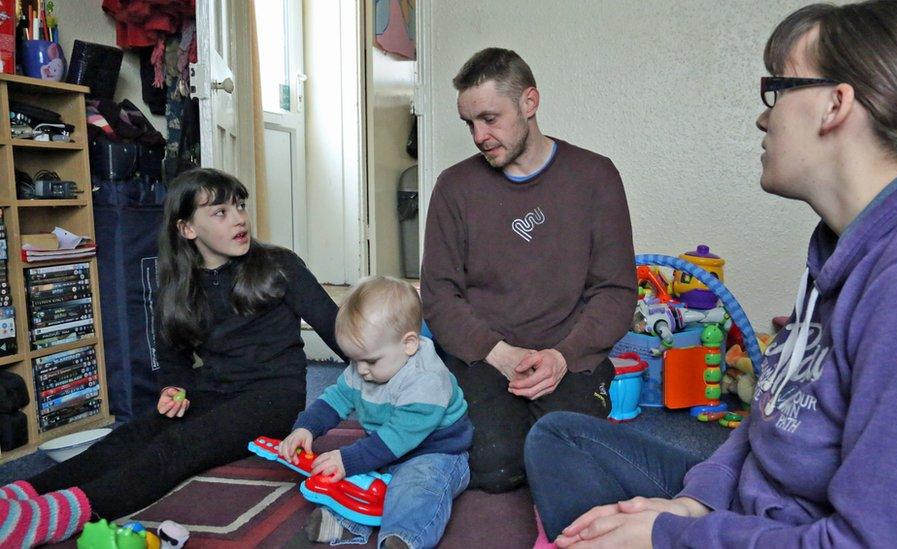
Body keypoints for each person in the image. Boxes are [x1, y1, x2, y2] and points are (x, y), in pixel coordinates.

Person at [524, 1, 897, 546]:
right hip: (753, 507)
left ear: (836, 104)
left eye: (779, 90)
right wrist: (696, 502)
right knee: (557, 437)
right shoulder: (842, 242)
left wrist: (668, 536)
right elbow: (771, 417)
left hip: (792, 532)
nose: (765, 116)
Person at [0, 169, 344, 547]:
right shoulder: (178, 286)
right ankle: (19, 494)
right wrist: (173, 388)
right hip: (212, 390)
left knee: (177, 447)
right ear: (187, 229)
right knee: (128, 437)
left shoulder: (280, 265)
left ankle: (55, 517)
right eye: (220, 212)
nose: (239, 218)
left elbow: (337, 329)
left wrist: (388, 368)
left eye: (239, 206)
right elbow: (173, 358)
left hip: (273, 397)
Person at [421, 47, 636, 493]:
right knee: (495, 466)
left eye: (490, 118)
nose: (479, 136)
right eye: (469, 123)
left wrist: (562, 357)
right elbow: (439, 296)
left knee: (565, 458)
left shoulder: (596, 177)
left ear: (529, 102)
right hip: (486, 353)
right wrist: (499, 354)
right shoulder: (454, 187)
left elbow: (615, 291)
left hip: (568, 352)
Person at [279, 275, 472, 548]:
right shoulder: (367, 366)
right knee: (357, 479)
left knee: (417, 488)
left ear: (409, 344)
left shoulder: (427, 379)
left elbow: (398, 437)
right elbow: (337, 397)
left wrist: (350, 459)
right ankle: (343, 523)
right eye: (354, 360)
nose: (360, 370)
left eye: (369, 360)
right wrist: (306, 427)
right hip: (385, 446)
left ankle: (404, 537)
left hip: (436, 453)